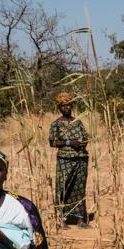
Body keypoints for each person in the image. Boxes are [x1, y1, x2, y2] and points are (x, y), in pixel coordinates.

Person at [47, 91, 91, 227]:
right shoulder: (56, 124)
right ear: (59, 108)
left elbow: (85, 136)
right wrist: (69, 143)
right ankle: (60, 218)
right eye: (63, 106)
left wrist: (82, 143)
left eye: (69, 105)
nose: (67, 108)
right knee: (62, 186)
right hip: (65, 159)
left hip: (81, 158)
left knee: (79, 187)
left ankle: (79, 219)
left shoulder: (77, 122)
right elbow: (52, 142)